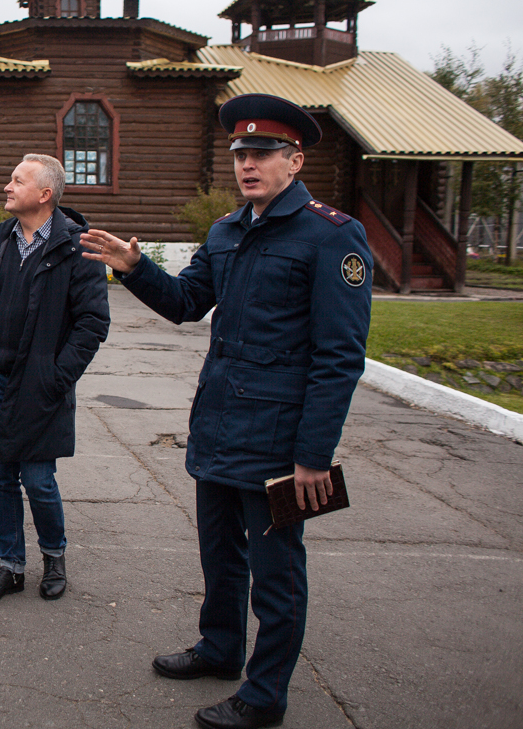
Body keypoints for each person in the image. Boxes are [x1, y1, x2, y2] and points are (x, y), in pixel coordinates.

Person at [81, 93, 372, 729]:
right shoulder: (226, 230)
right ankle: (219, 649)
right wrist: (136, 268)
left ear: (294, 160)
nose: (248, 163)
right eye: (240, 152)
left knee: (276, 575)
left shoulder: (331, 236)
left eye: (263, 152)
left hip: (280, 443)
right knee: (219, 555)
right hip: (217, 429)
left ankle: (264, 696)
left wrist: (313, 457)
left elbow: (339, 357)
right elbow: (187, 303)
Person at [0, 153, 110, 606]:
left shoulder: (77, 246)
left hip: (41, 387)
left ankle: (53, 556)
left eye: (16, 180)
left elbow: (92, 323)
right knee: (1, 480)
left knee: (39, 480)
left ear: (44, 194)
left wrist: (55, 378)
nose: (7, 186)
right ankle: (11, 566)